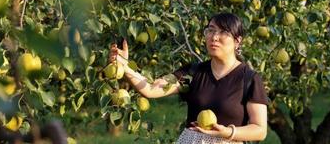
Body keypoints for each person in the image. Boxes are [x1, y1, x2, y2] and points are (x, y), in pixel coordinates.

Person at [109, 12, 268, 143]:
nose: (214, 37)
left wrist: (227, 132)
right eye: (210, 30)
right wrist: (125, 67)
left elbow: (259, 130)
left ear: (237, 41)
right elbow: (151, 89)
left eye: (223, 32)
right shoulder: (193, 72)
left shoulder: (249, 79)